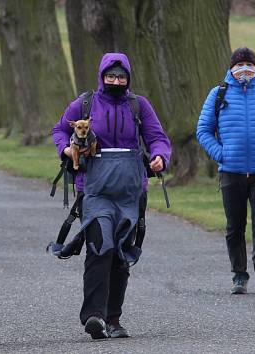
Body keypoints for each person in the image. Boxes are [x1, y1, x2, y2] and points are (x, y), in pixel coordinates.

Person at [51, 52, 171, 339]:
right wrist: (66, 149)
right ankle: (94, 316)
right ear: (102, 76)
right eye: (111, 76)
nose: (115, 81)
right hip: (94, 192)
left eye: (121, 77)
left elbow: (157, 138)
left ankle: (113, 318)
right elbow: (58, 130)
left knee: (119, 254)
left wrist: (159, 157)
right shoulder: (85, 104)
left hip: (131, 193)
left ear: (128, 78)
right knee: (99, 247)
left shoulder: (139, 105)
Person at [196, 47, 255, 295]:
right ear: (231, 69)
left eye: (249, 65)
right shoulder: (218, 94)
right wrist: (221, 154)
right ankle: (239, 275)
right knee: (234, 226)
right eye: (240, 65)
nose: (245, 70)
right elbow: (203, 130)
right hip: (231, 172)